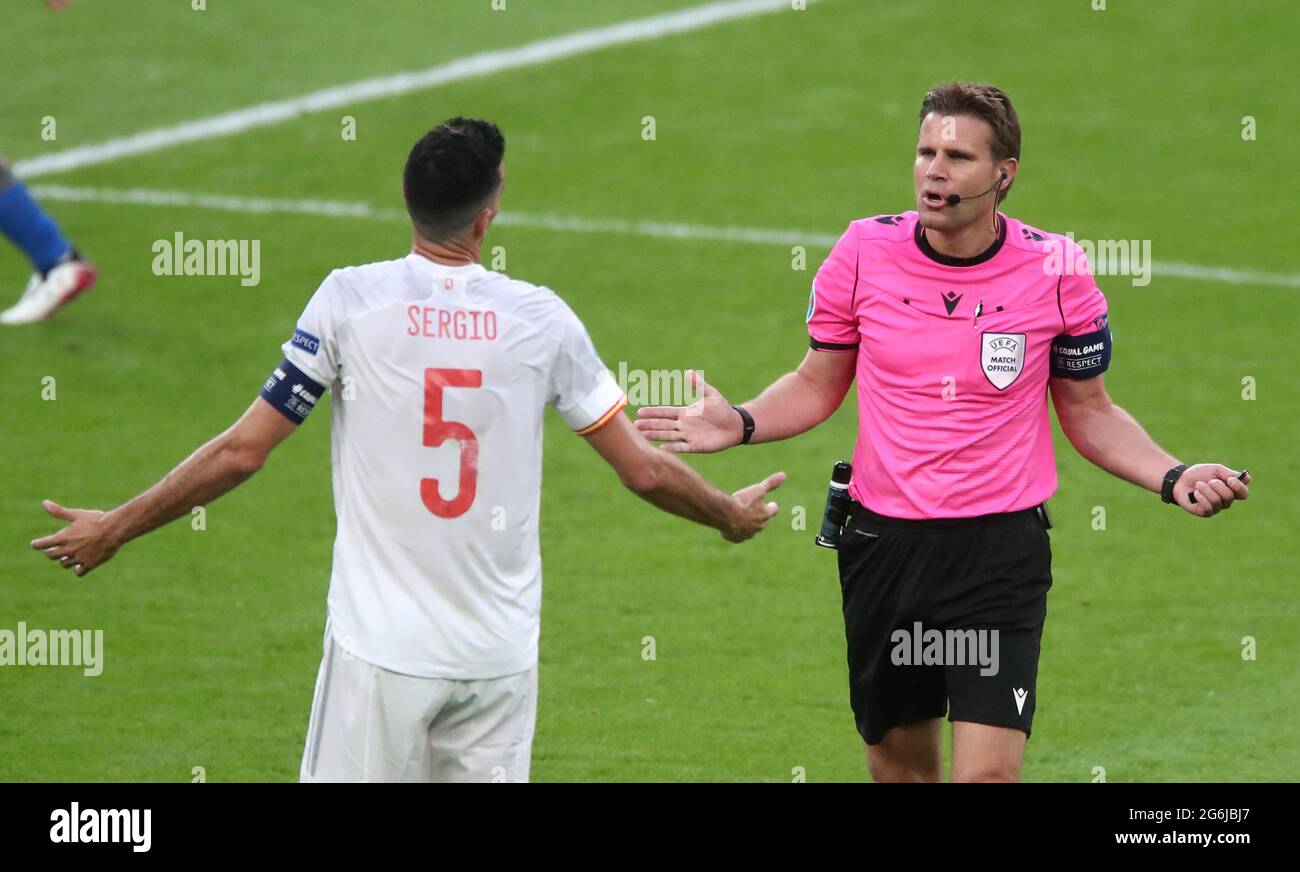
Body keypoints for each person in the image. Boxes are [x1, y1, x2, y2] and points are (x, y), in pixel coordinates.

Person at [29, 117, 785, 782]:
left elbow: (240, 453)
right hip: (496, 659)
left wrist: (115, 526)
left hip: (379, 656)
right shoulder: (542, 320)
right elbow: (644, 468)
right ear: (487, 215)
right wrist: (725, 514)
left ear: (407, 201)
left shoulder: (348, 301)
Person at [634, 82, 1251, 783]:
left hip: (998, 555)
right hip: (884, 547)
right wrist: (740, 421)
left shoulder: (1057, 270)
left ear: (1003, 174)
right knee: (901, 771)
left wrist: (1174, 475)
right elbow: (816, 383)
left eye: (957, 156)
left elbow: (1089, 411)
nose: (934, 170)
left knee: (987, 775)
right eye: (926, 152)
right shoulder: (865, 250)